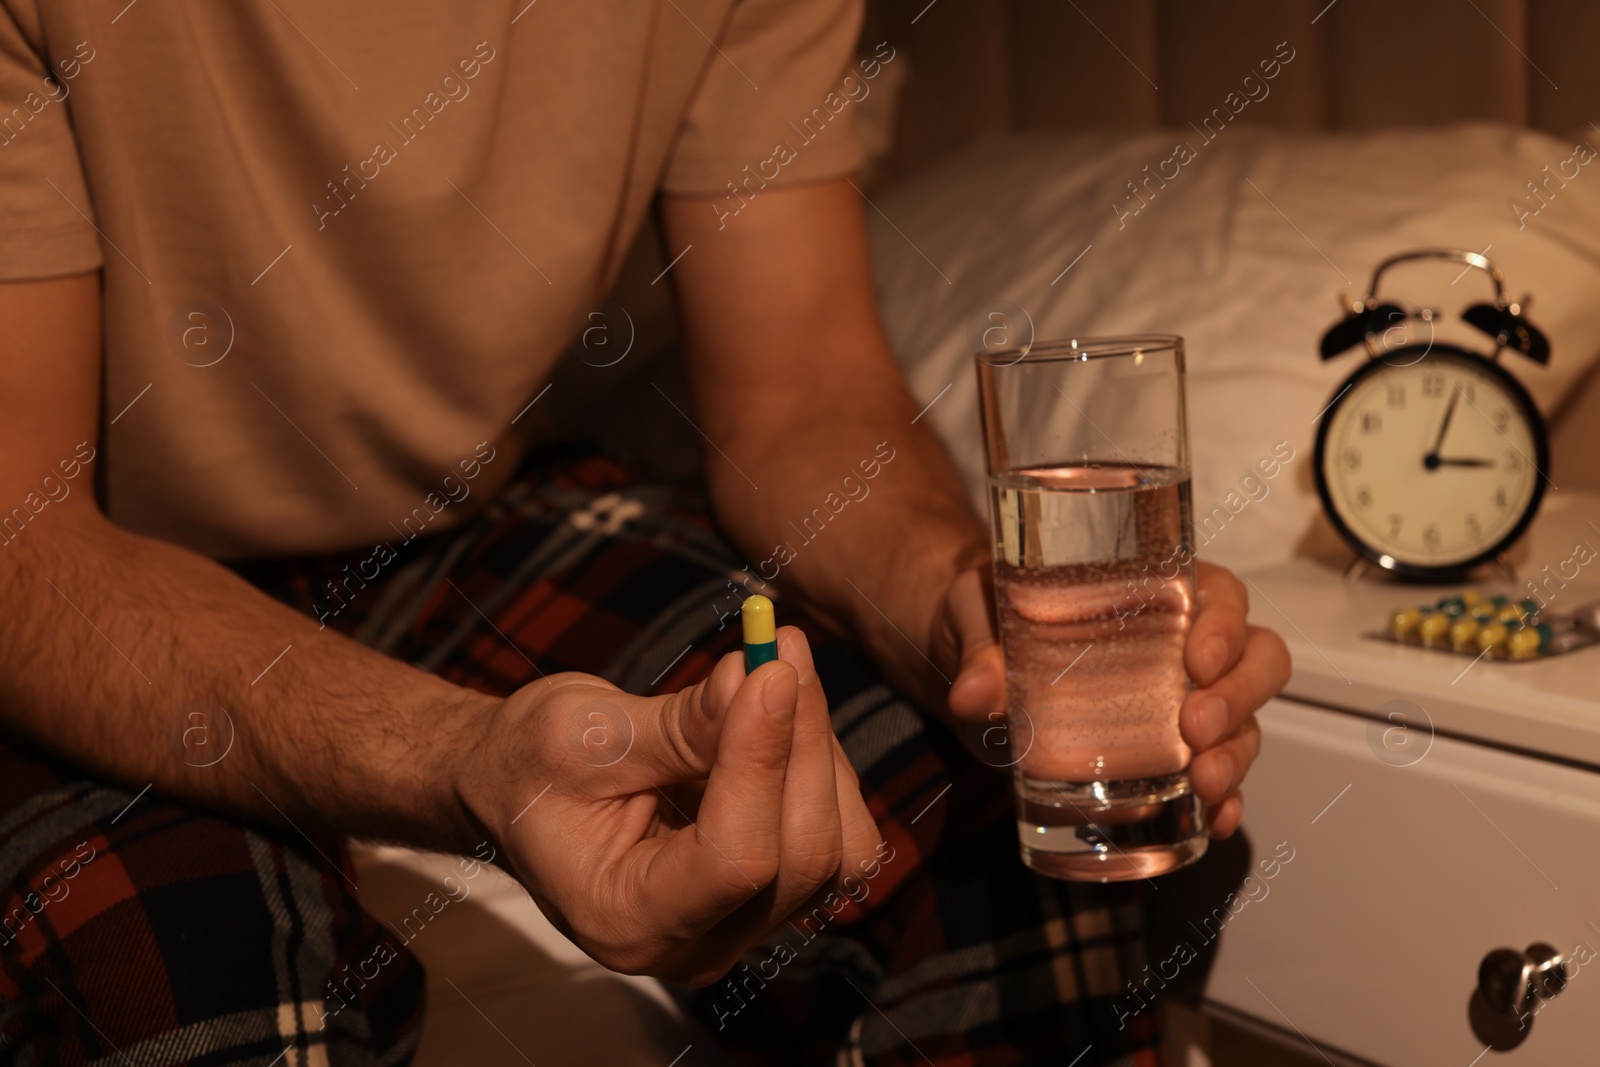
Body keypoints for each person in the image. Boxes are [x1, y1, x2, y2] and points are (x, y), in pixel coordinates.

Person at [0, 0, 1288, 1063]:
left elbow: (798, 396)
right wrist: (470, 761)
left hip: (448, 524)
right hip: (89, 566)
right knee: (211, 973)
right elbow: (24, 531)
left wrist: (954, 596)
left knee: (974, 850)